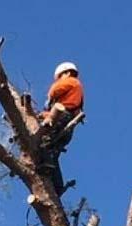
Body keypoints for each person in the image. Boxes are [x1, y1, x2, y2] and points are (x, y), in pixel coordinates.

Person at [39, 62, 84, 195]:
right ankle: (57, 187)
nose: (59, 80)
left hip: (62, 119)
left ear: (67, 73)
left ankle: (46, 166)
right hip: (67, 124)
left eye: (60, 77)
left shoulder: (71, 81)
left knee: (44, 141)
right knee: (53, 155)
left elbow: (56, 90)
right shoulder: (76, 91)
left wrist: (49, 97)